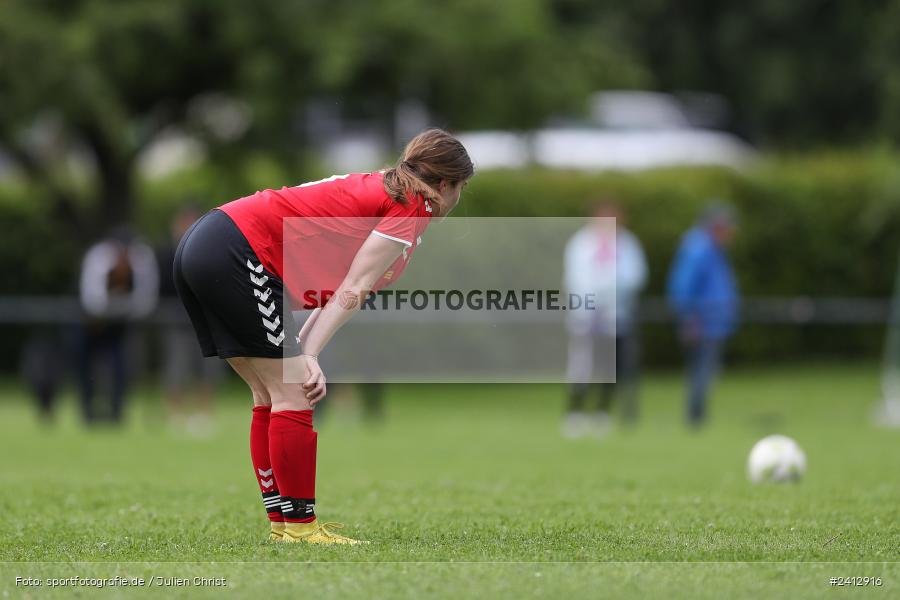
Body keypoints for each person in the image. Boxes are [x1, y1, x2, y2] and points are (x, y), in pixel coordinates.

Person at [173, 129, 473, 544]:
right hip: (237, 251)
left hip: (210, 240)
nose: (457, 200)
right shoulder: (412, 204)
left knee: (270, 394)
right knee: (293, 393)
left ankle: (283, 524)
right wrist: (308, 354)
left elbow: (342, 292)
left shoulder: (389, 189)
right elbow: (355, 286)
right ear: (445, 184)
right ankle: (301, 528)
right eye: (461, 189)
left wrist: (308, 350)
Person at [563, 202, 647, 438]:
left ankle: (602, 413)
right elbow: (575, 278)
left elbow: (635, 276)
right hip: (586, 314)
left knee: (610, 366)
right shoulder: (581, 243)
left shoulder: (628, 244)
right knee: (581, 366)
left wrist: (609, 292)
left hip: (616, 314)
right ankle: (575, 413)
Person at [667, 203, 739, 427]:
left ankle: (698, 417)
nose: (730, 233)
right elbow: (683, 287)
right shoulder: (699, 249)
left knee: (705, 372)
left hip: (713, 321)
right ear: (715, 226)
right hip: (703, 322)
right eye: (726, 228)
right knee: (701, 372)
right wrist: (689, 319)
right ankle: (695, 419)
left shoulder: (710, 248)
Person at [77, 227, 159, 424]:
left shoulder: (141, 258)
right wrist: (109, 307)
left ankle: (116, 412)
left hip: (121, 323)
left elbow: (145, 297)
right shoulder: (98, 257)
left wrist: (125, 308)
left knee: (121, 367)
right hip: (90, 323)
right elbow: (92, 297)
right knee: (86, 367)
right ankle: (88, 412)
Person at [156, 205, 222, 435]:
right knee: (176, 366)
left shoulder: (209, 251)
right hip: (176, 318)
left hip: (204, 318)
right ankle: (175, 414)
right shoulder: (166, 253)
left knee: (207, 366)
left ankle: (204, 414)